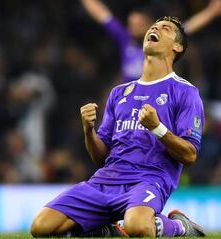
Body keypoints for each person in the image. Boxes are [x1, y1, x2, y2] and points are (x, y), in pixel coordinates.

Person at [30, 16, 205, 237]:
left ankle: (180, 227)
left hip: (148, 180)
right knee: (41, 228)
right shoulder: (119, 93)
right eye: (154, 26)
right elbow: (101, 157)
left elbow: (189, 155)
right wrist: (88, 130)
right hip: (106, 179)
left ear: (177, 46)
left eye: (165, 28)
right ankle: (103, 229)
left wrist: (158, 128)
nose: (155, 28)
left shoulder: (185, 92)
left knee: (138, 227)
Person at [81, 0, 221, 83]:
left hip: (154, 98)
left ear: (148, 25)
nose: (132, 28)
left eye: (136, 25)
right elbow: (101, 14)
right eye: (130, 24)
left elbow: (188, 27)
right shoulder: (125, 39)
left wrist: (212, 11)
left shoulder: (163, 40)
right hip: (129, 99)